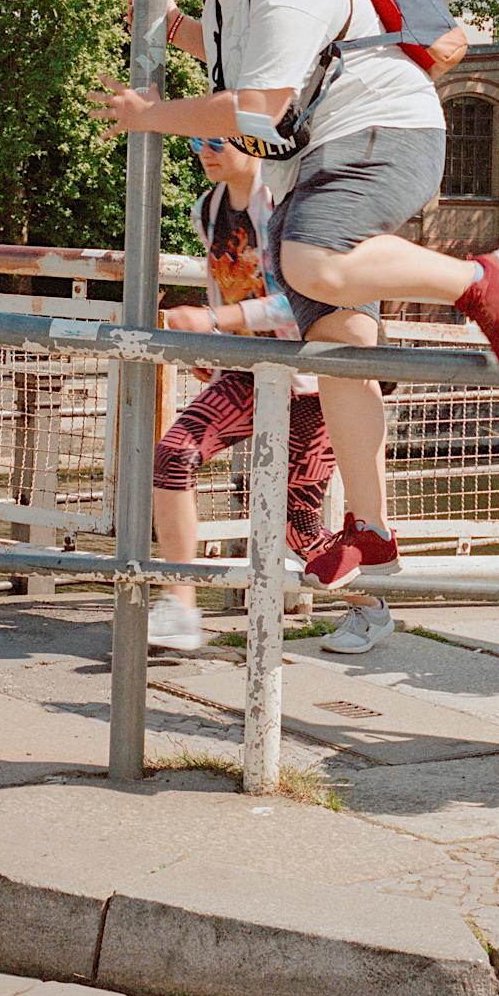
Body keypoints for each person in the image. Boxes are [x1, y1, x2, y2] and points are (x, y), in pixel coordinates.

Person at [91, 0, 499, 593]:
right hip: (317, 160)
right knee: (339, 346)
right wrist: (172, 29)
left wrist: (149, 118)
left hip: (383, 131)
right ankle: (370, 526)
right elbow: (234, 60)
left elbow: (256, 102)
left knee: (312, 262)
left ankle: (476, 276)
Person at [148, 136, 346, 651]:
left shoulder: (283, 203)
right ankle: (181, 605)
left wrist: (214, 320)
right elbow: (228, 286)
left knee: (298, 527)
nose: (203, 152)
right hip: (244, 373)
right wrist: (209, 340)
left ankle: (373, 606)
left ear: (255, 143)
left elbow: (296, 303)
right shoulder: (208, 208)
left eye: (217, 141)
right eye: (195, 141)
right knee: (174, 454)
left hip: (304, 380)